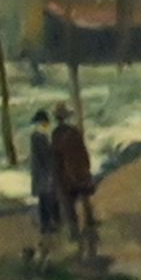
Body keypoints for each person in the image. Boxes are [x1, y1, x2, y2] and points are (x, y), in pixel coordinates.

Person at [50, 106, 100, 254]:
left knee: (69, 204)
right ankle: (89, 225)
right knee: (84, 198)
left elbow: (55, 156)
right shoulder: (73, 131)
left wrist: (56, 175)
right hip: (78, 171)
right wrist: (86, 167)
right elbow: (82, 152)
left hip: (65, 174)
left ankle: (74, 231)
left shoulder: (56, 134)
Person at [31, 107, 67, 239]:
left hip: (41, 174)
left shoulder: (37, 136)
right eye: (45, 122)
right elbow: (46, 157)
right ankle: (50, 225)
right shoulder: (40, 137)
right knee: (48, 198)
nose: (47, 124)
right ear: (42, 122)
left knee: (45, 199)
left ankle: (47, 225)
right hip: (45, 174)